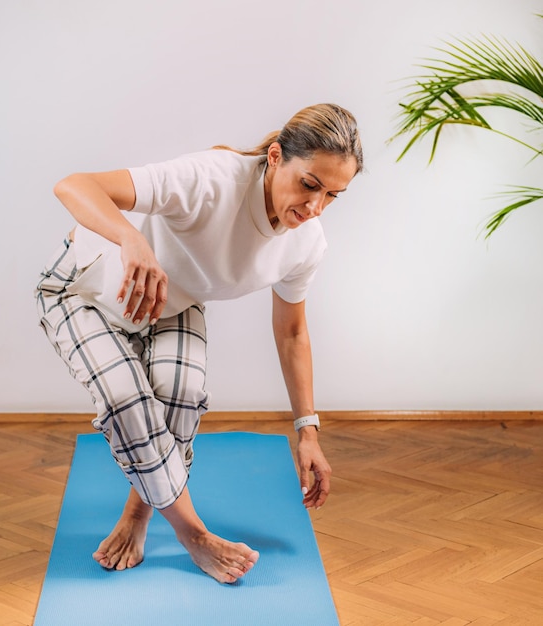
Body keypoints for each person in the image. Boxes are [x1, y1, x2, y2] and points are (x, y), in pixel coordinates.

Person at [35, 103, 363, 584]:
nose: (315, 207)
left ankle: (139, 513)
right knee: (127, 401)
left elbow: (292, 332)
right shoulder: (211, 180)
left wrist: (308, 430)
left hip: (169, 298)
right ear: (275, 157)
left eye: (334, 195)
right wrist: (132, 238)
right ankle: (194, 535)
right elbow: (73, 185)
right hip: (83, 289)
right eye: (310, 184)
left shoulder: (306, 242)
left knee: (181, 398)